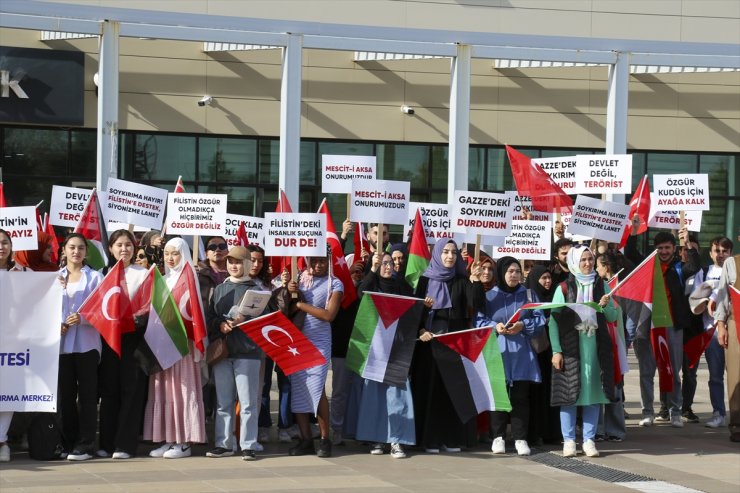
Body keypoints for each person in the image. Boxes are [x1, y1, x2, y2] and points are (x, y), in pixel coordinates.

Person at [344, 251, 423, 459]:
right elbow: (361, 293)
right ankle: (376, 438)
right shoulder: (371, 285)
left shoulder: (403, 288)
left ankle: (397, 441)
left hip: (397, 350)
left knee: (398, 397)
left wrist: (426, 305)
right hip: (375, 350)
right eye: (384, 263)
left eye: (391, 263)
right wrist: (371, 270)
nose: (388, 266)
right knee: (375, 398)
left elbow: (414, 310)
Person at [413, 239, 484, 453]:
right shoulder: (425, 281)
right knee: (431, 391)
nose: (450, 256)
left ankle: (450, 438)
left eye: (453, 252)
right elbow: (415, 311)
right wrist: (421, 330)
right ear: (437, 254)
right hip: (429, 344)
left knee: (451, 391)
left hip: (454, 344)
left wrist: (476, 282)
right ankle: (430, 439)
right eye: (445, 252)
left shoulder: (461, 280)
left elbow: (476, 304)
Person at [626, 228, 699, 428]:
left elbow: (693, 266)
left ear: (674, 249)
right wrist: (634, 231)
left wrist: (687, 242)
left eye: (667, 247)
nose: (664, 251)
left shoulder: (678, 268)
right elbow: (631, 254)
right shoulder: (648, 266)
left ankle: (675, 412)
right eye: (660, 248)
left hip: (672, 327)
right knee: (646, 372)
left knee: (672, 370)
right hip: (647, 326)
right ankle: (647, 412)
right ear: (655, 249)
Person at [549, 245, 617, 458]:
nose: (587, 264)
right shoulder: (564, 288)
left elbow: (613, 317)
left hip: (595, 348)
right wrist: (556, 350)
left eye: (590, 259)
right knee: (569, 395)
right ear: (574, 263)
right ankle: (569, 440)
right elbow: (553, 321)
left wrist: (605, 306)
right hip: (571, 348)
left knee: (593, 394)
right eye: (583, 260)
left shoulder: (602, 286)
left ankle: (589, 439)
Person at [144, 238, 207, 459]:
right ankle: (169, 438)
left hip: (182, 344)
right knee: (165, 390)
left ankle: (184, 441)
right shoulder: (163, 278)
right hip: (163, 344)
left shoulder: (189, 278)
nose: (171, 258)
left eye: (176, 253)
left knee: (182, 390)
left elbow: (193, 312)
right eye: (167, 253)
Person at [476, 256, 545, 457]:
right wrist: (494, 327)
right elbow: (479, 321)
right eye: (510, 271)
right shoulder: (489, 296)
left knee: (520, 397)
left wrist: (523, 326)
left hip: (522, 354)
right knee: (498, 395)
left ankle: (520, 437)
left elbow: (539, 320)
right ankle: (498, 436)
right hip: (498, 352)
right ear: (501, 273)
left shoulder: (529, 296)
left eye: (517, 271)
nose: (514, 275)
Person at [205, 246, 266, 461]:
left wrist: (245, 320)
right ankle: (224, 444)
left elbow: (265, 322)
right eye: (230, 261)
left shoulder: (258, 291)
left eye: (238, 261)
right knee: (223, 401)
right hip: (223, 352)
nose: (233, 265)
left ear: (248, 264)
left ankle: (248, 444)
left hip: (248, 352)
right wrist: (220, 324)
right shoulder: (220, 289)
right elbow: (210, 317)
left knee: (248, 402)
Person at [97, 229, 149, 459]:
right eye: (119, 245)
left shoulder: (144, 274)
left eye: (128, 245)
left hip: (134, 339)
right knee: (109, 391)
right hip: (108, 339)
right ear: (110, 248)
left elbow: (149, 306)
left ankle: (125, 445)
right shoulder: (101, 274)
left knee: (132, 390)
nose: (124, 249)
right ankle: (106, 443)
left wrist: (133, 318)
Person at [286, 254, 344, 457]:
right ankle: (305, 440)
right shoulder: (299, 278)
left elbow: (328, 315)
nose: (318, 265)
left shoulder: (335, 283)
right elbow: (287, 307)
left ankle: (324, 439)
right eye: (315, 260)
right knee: (299, 388)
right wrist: (288, 291)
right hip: (296, 342)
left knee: (317, 389)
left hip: (319, 342)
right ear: (308, 260)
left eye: (323, 261)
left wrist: (301, 305)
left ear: (329, 262)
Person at [57, 233, 104, 461]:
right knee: (65, 396)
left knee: (87, 396)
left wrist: (83, 317)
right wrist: (55, 325)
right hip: (62, 346)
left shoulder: (96, 277)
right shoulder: (54, 278)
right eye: (72, 247)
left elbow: (104, 309)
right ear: (64, 250)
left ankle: (85, 444)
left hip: (87, 344)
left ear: (86, 252)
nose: (76, 252)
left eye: (81, 248)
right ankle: (67, 442)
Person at [691, 236, 733, 428]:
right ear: (710, 253)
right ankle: (718, 413)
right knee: (715, 376)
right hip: (711, 332)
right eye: (717, 251)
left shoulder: (736, 270)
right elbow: (694, 302)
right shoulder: (704, 272)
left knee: (736, 377)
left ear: (730, 253)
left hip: (733, 330)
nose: (720, 255)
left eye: (724, 251)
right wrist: (707, 301)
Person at [525, 264, 562, 446]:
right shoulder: (528, 297)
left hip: (552, 352)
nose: (548, 282)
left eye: (549, 278)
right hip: (535, 352)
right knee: (536, 394)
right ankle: (535, 432)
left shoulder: (556, 295)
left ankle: (553, 432)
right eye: (543, 278)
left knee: (552, 390)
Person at [594, 252, 628, 442]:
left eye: (593, 262)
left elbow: (614, 315)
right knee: (597, 388)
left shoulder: (606, 286)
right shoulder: (580, 286)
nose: (591, 265)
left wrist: (604, 305)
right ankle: (597, 430)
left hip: (612, 344)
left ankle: (615, 430)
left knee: (614, 387)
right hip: (593, 344)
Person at [0, 229, 25, 462]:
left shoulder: (25, 273)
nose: (1, 247)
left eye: (5, 242)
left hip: (14, 344)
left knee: (8, 393)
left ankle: (2, 441)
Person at [713, 248, 740, 442]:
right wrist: (721, 325)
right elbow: (722, 296)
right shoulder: (732, 263)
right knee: (736, 375)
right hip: (736, 322)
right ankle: (737, 425)